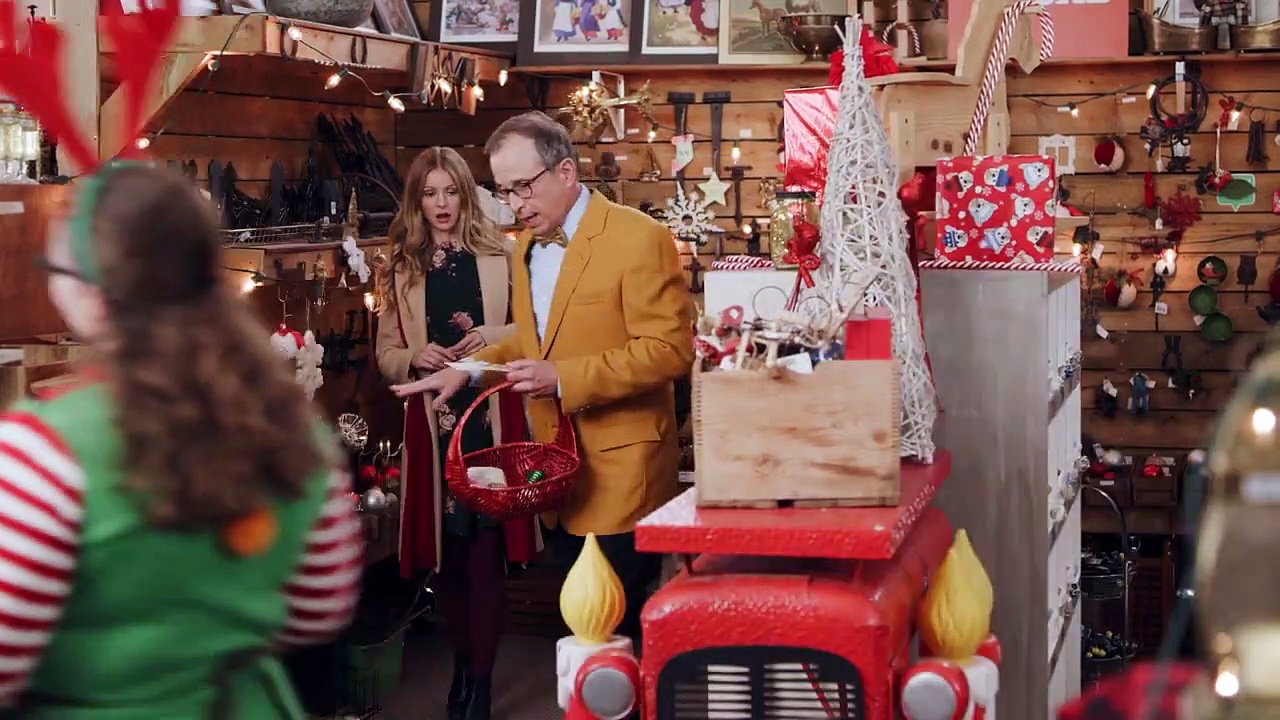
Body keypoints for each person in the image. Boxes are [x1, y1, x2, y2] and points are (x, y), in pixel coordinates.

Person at [0, 163, 361, 718]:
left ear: (94, 295)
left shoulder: (42, 453)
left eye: (54, 269)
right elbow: (319, 608)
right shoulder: (298, 429)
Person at [392, 111, 695, 650]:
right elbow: (536, 344)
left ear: (566, 172)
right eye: (504, 191)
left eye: (524, 187)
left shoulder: (639, 237)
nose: (515, 204)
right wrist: (467, 370)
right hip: (555, 474)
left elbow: (669, 351)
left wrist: (562, 378)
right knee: (586, 637)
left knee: (618, 634)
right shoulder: (528, 247)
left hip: (624, 476)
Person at [374, 147, 536, 720]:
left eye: (450, 191)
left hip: (489, 416)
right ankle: (462, 667)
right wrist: (413, 357)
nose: (441, 204)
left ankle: (482, 683)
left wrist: (490, 336)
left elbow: (533, 328)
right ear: (417, 200)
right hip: (432, 424)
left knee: (486, 555)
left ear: (466, 194)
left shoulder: (502, 253)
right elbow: (386, 352)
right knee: (445, 558)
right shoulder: (400, 265)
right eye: (429, 193)